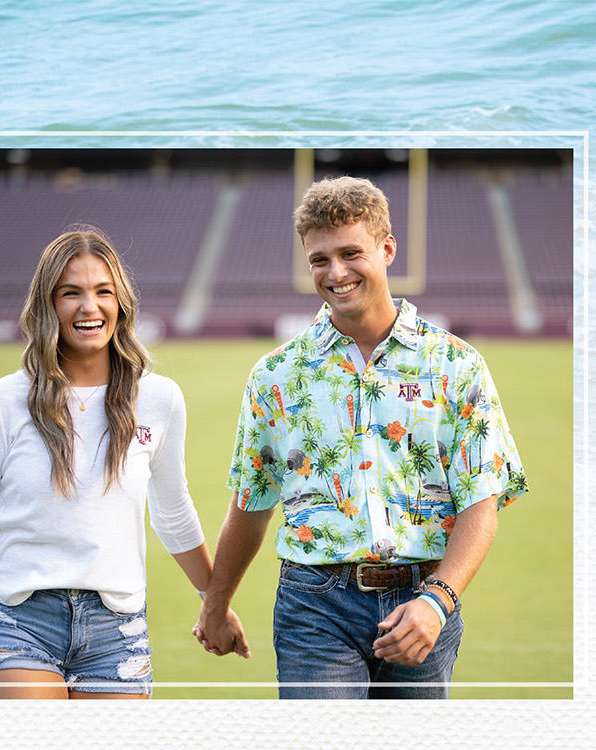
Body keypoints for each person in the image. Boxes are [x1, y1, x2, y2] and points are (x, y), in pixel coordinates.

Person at [195, 175, 527, 698]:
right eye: (319, 259)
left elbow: (482, 501)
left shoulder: (456, 364)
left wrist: (438, 600)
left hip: (424, 602)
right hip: (314, 602)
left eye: (351, 252)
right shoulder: (277, 375)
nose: (336, 272)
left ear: (387, 249)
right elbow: (251, 503)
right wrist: (214, 605)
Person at [0, 227, 241, 700]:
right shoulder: (4, 402)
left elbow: (172, 514)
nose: (89, 306)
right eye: (71, 293)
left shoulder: (159, 399)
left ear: (121, 303)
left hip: (117, 631)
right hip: (19, 621)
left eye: (103, 292)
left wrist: (213, 602)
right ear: (48, 306)